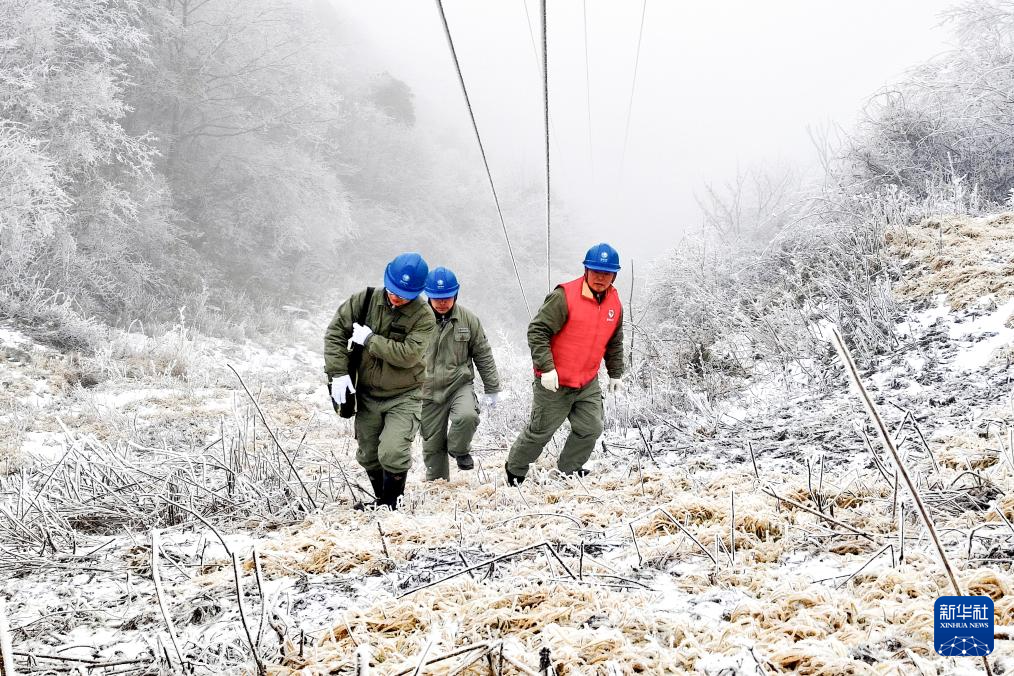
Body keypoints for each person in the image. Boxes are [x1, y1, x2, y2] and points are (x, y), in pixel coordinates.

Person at [505, 243, 624, 485]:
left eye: (607, 273)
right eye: (596, 271)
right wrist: (546, 368)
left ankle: (568, 470)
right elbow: (537, 331)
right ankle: (514, 471)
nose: (601, 278)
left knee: (591, 427)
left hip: (587, 381)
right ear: (586, 270)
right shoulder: (564, 296)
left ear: (614, 275)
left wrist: (615, 373)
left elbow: (614, 341)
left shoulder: (614, 304)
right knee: (540, 432)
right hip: (554, 382)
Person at [324, 252, 436, 509]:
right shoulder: (363, 301)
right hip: (367, 393)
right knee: (369, 454)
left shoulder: (424, 317)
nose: (397, 297)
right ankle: (381, 501)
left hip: (405, 394)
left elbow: (409, 354)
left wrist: (370, 340)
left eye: (405, 295)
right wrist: (338, 373)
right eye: (394, 290)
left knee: (393, 451)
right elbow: (335, 333)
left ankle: (391, 507)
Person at [419, 267, 501, 481]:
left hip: (458, 384)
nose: (442, 303)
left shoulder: (468, 319)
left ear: (455, 295)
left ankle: (459, 449)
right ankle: (438, 487)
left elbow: (483, 353)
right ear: (428, 296)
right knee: (432, 444)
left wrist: (492, 389)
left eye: (446, 297)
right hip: (426, 390)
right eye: (437, 298)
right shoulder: (416, 319)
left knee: (468, 416)